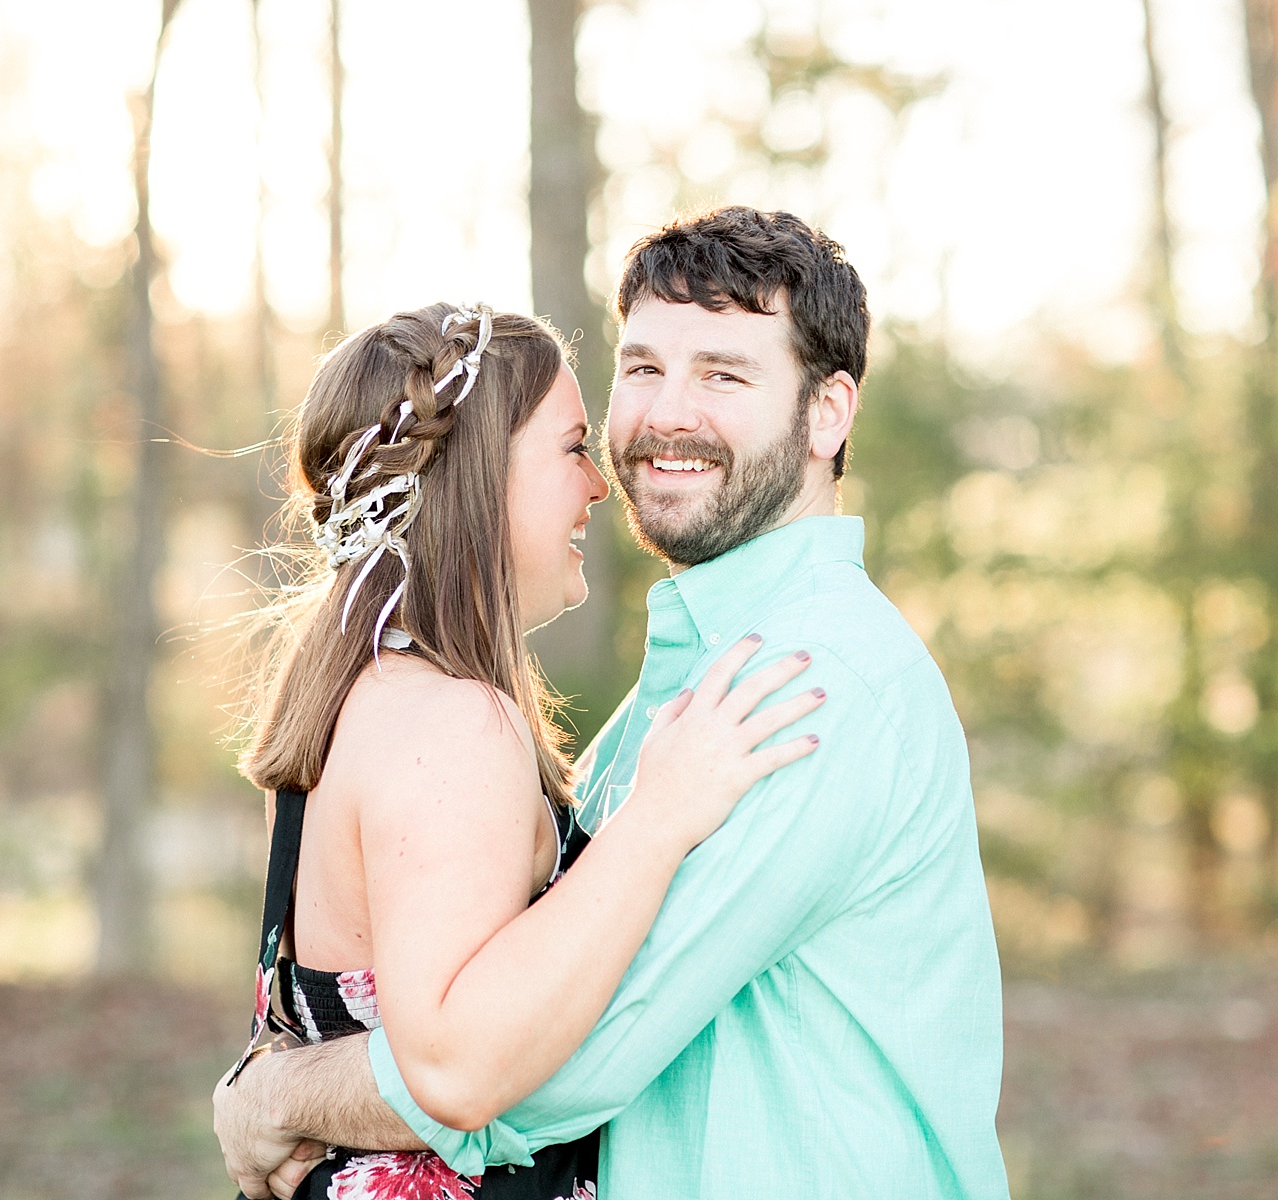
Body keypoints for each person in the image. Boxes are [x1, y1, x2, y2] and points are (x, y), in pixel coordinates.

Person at [218, 208, 1011, 1199]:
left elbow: (563, 1047)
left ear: (827, 414)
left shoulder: (808, 685)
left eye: (723, 375)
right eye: (642, 367)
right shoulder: (679, 687)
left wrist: (284, 1093)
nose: (666, 415)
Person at [217, 299, 826, 1200]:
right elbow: (458, 1069)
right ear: (482, 477)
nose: (599, 486)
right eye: (572, 448)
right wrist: (657, 821)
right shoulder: (452, 726)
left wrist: (273, 1094)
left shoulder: (346, 704)